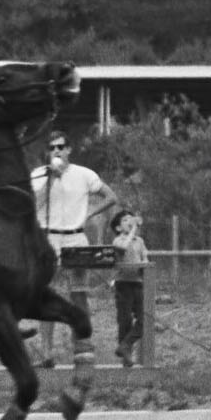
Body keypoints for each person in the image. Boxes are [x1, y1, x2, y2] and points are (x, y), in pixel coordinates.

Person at [28, 131, 120, 367]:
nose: (56, 151)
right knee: (44, 294)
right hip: (48, 237)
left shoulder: (84, 174)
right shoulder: (38, 175)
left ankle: (81, 349)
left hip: (75, 237)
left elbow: (110, 196)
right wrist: (50, 178)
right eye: (52, 148)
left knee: (78, 293)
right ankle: (46, 353)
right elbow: (31, 203)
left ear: (69, 149)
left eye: (61, 146)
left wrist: (91, 212)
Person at [111, 209, 149, 367]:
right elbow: (123, 249)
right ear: (118, 227)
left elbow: (145, 259)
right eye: (126, 220)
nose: (130, 222)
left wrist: (145, 268)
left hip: (138, 284)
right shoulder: (118, 241)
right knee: (125, 320)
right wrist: (133, 229)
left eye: (131, 219)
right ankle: (126, 355)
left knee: (144, 320)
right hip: (123, 284)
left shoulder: (139, 241)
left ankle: (125, 345)